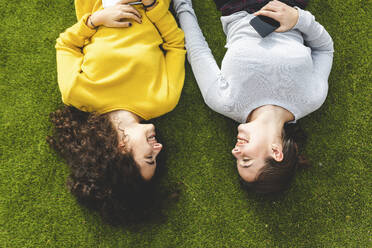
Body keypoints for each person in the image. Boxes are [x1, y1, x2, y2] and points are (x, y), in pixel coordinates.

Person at [173, 0, 334, 193]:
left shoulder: (224, 102)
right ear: (276, 151)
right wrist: (299, 19)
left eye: (237, 159)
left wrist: (181, 4)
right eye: (246, 160)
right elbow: (325, 50)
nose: (235, 151)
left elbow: (197, 50)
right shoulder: (311, 99)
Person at [48, 0, 185, 223]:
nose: (159, 147)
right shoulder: (164, 100)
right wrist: (152, 6)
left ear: (121, 149)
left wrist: (95, 21)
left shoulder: (77, 94)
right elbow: (176, 45)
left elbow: (66, 45)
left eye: (150, 157)